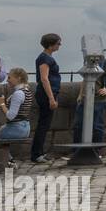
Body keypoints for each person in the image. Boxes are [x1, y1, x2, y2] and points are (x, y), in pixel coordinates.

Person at [70, 52, 106, 153]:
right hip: (84, 99)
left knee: (97, 126)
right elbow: (85, 79)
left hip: (99, 100)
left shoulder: (105, 63)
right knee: (78, 125)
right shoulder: (87, 61)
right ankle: (77, 152)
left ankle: (97, 152)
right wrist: (80, 94)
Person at [31, 33, 62, 164]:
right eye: (58, 43)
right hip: (45, 95)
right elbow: (44, 79)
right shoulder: (45, 59)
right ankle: (37, 154)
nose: (59, 45)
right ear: (51, 45)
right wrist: (51, 98)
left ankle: (39, 153)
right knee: (43, 125)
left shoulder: (46, 57)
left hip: (48, 93)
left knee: (44, 124)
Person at [0, 69, 34, 155]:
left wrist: (2, 104)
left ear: (18, 78)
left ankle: (4, 162)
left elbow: (11, 116)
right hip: (24, 127)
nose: (7, 80)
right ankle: (8, 160)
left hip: (17, 129)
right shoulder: (26, 91)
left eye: (9, 77)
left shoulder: (18, 94)